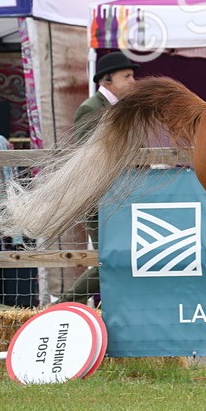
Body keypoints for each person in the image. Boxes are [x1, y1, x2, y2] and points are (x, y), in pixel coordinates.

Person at [59, 51, 139, 304]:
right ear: (107, 80)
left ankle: (100, 307)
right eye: (126, 76)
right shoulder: (91, 109)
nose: (133, 81)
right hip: (98, 197)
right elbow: (87, 158)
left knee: (117, 256)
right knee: (109, 258)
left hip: (116, 195)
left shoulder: (116, 109)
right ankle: (63, 306)